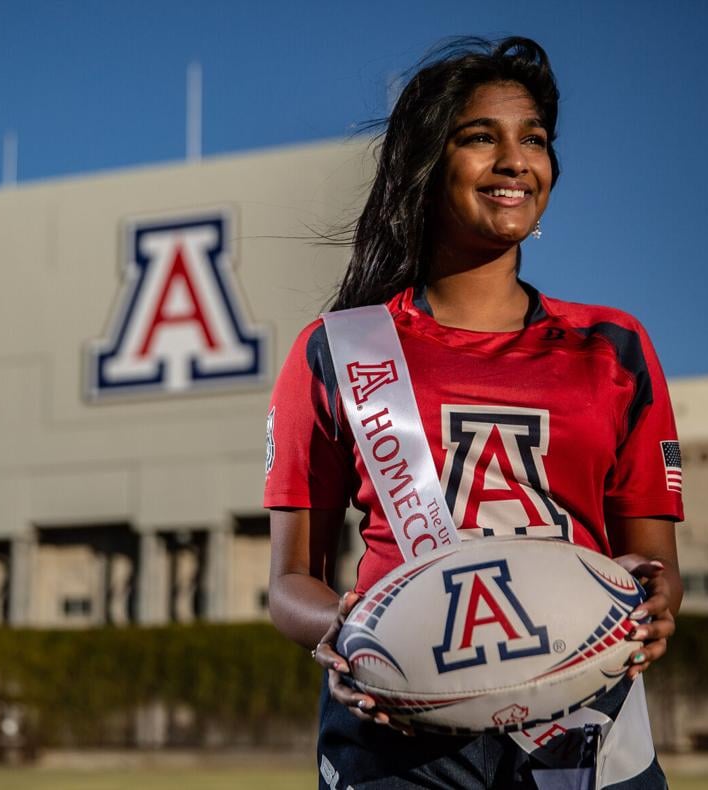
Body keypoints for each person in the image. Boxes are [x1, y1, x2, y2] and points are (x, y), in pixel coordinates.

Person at [264, 36, 683, 789]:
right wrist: (351, 636)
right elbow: (291, 580)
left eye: (534, 140)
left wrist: (649, 607)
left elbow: (656, 569)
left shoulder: (615, 347)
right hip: (395, 740)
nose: (515, 160)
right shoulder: (336, 352)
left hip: (591, 734)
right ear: (428, 166)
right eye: (480, 137)